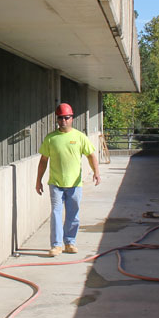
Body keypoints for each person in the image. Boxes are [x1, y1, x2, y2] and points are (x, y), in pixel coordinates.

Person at [36, 103, 101, 257]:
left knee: (73, 214)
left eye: (66, 117)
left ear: (72, 118)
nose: (63, 120)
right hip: (56, 183)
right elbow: (43, 160)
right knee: (56, 213)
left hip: (74, 184)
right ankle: (57, 245)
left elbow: (91, 155)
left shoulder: (79, 137)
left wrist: (96, 172)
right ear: (57, 119)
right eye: (60, 118)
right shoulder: (51, 138)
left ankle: (70, 242)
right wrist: (38, 180)